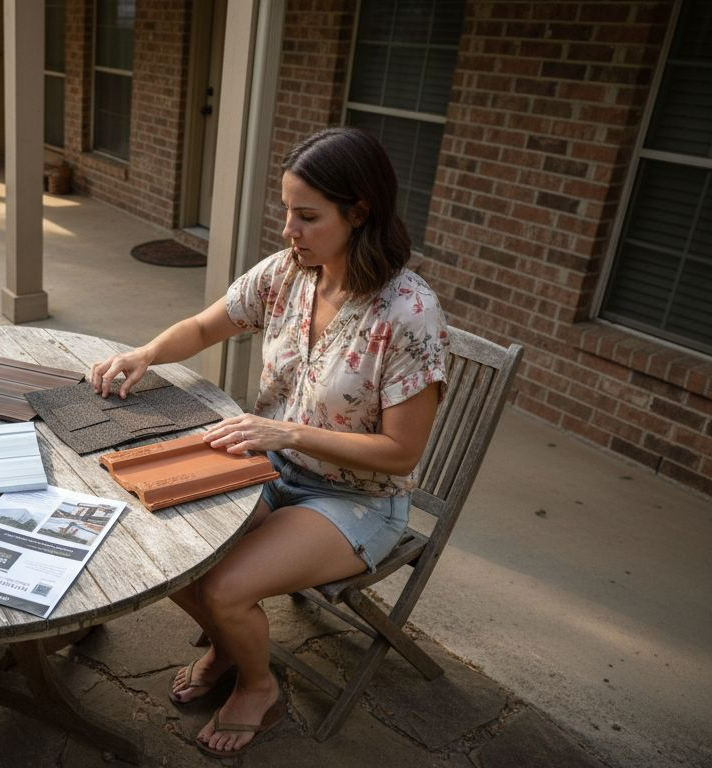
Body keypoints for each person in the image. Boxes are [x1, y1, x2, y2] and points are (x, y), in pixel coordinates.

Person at [89, 127, 448, 758]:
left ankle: (260, 686)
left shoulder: (409, 313)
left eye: (307, 216)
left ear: (359, 213)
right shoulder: (291, 273)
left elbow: (401, 454)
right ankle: (231, 645)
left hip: (355, 497)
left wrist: (284, 430)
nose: (289, 230)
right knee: (160, 541)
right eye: (286, 211)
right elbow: (207, 324)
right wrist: (145, 353)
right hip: (270, 466)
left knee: (225, 586)